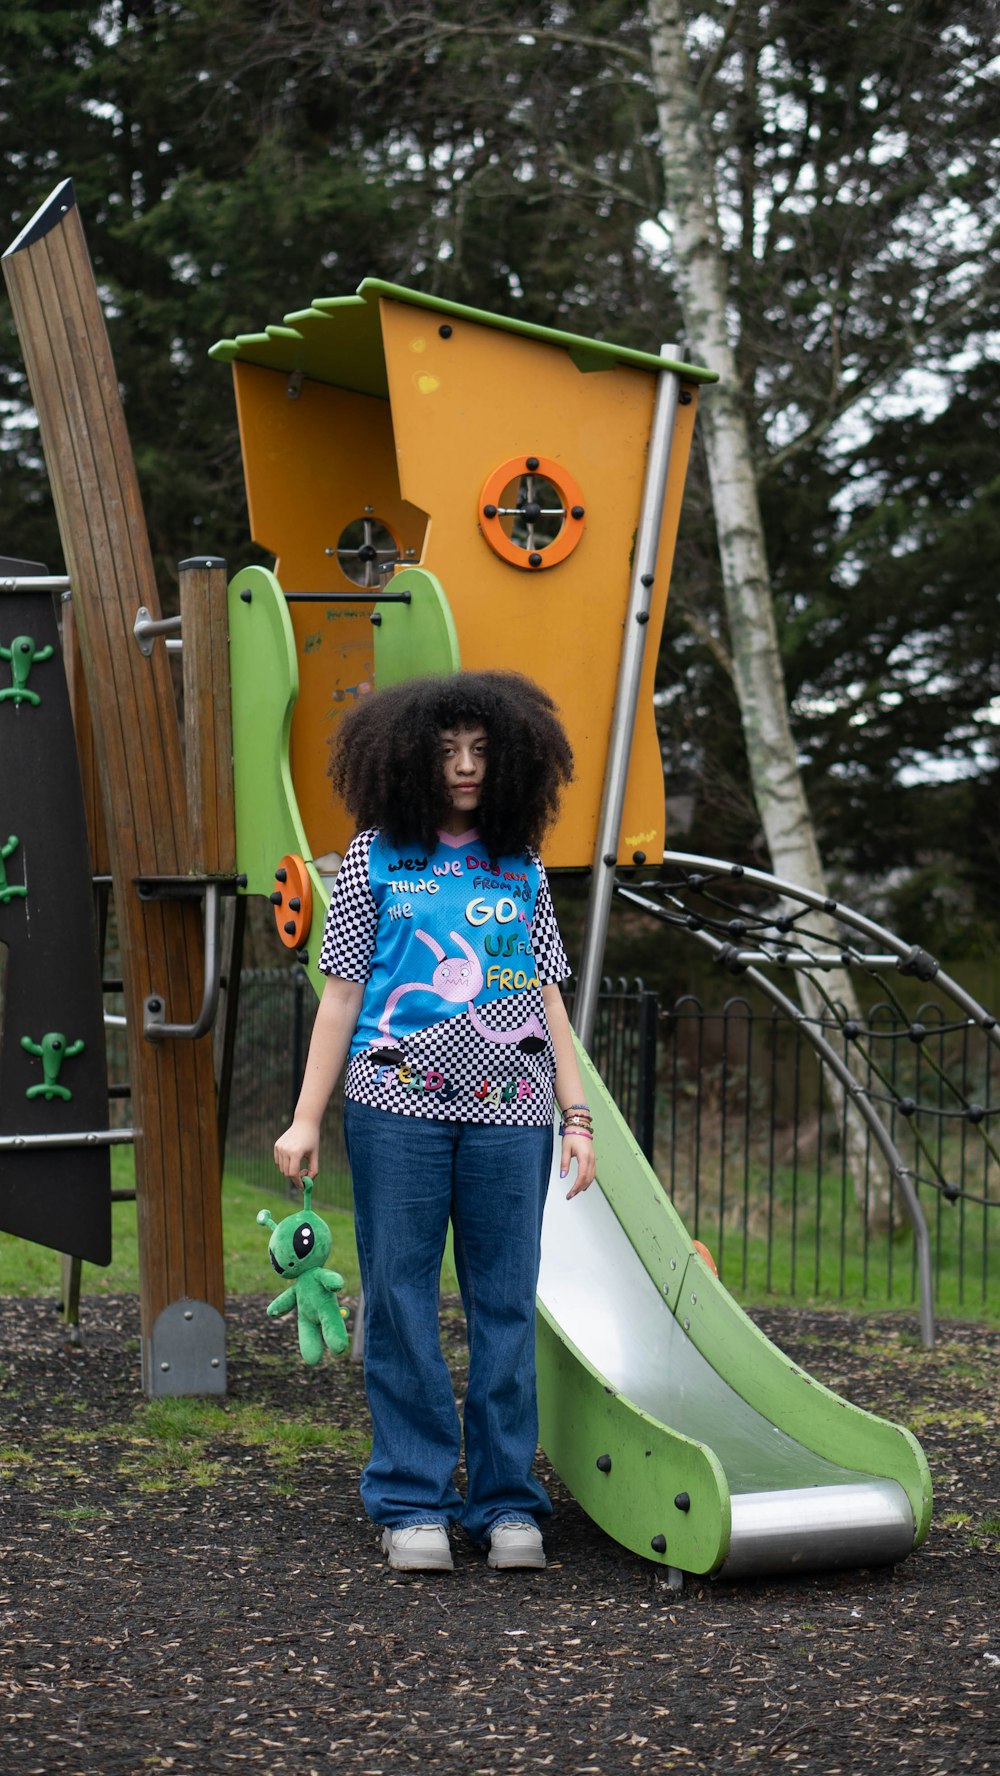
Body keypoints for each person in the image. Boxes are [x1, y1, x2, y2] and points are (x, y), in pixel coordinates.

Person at [274, 670, 596, 1574]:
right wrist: (305, 1119)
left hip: (515, 1115)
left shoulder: (520, 864)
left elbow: (549, 1004)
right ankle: (412, 1498)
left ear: (513, 763)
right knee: (402, 1302)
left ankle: (505, 1503)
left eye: (482, 753)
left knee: (503, 1305)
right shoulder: (373, 858)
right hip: (394, 1113)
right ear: (411, 759)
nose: (464, 768)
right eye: (448, 751)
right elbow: (340, 999)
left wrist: (578, 1117)